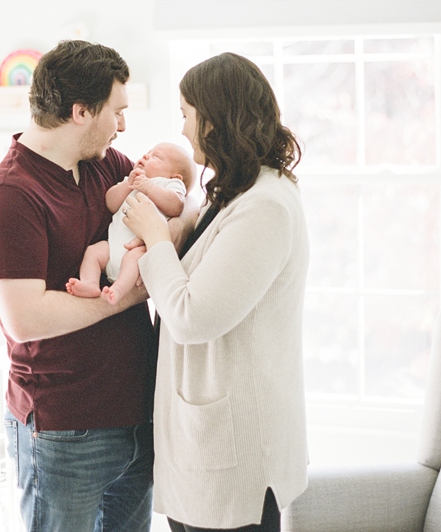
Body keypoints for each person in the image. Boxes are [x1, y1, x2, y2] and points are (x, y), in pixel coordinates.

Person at [0, 40, 196, 532]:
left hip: (137, 417)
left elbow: (172, 216)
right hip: (66, 431)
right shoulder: (10, 196)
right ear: (80, 111)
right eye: (117, 112)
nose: (123, 126)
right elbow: (25, 317)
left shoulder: (109, 166)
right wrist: (133, 293)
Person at [122, 52, 310, 532]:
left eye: (186, 115)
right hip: (207, 442)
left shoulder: (265, 207)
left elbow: (191, 316)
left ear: (215, 120)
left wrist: (156, 236)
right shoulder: (236, 191)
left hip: (235, 447)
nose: (182, 131)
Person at [67, 142, 196, 305]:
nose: (146, 156)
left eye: (156, 156)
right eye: (148, 152)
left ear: (175, 177)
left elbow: (177, 205)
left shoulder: (169, 184)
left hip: (135, 249)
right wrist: (127, 185)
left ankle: (118, 290)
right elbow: (111, 204)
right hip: (112, 248)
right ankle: (90, 284)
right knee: (93, 252)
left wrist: (148, 187)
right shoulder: (132, 179)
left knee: (134, 258)